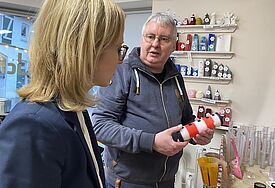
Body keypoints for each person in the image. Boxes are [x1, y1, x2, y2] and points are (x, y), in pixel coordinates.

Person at [0, 0, 127, 188]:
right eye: (118, 49)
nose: (119, 60)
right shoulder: (33, 127)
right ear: (89, 49)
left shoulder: (74, 110)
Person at [91, 12, 214, 188]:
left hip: (166, 182)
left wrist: (197, 133)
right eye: (150, 37)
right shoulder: (121, 72)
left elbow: (186, 120)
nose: (155, 44)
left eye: (164, 39)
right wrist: (151, 142)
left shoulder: (176, 78)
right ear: (142, 39)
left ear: (174, 45)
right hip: (126, 183)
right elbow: (100, 126)